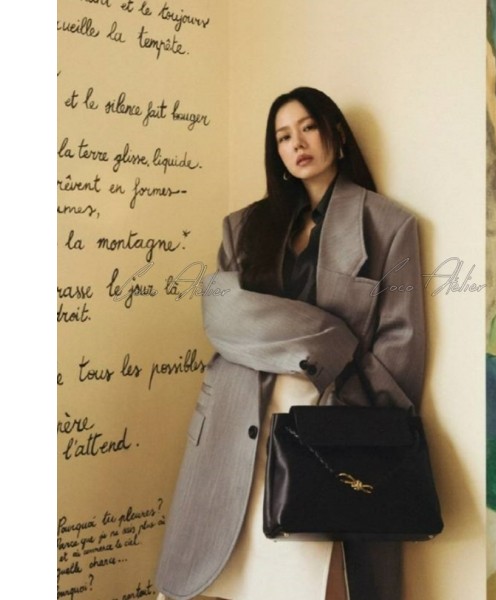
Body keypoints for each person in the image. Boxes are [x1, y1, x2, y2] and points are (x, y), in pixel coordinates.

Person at [154, 87, 426, 600]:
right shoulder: (244, 226)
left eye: (308, 128)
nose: (297, 144)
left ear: (336, 134)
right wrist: (333, 342)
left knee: (314, 577)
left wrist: (348, 403)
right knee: (234, 574)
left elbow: (400, 347)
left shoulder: (389, 225)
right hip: (239, 418)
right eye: (282, 136)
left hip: (330, 421)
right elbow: (223, 317)